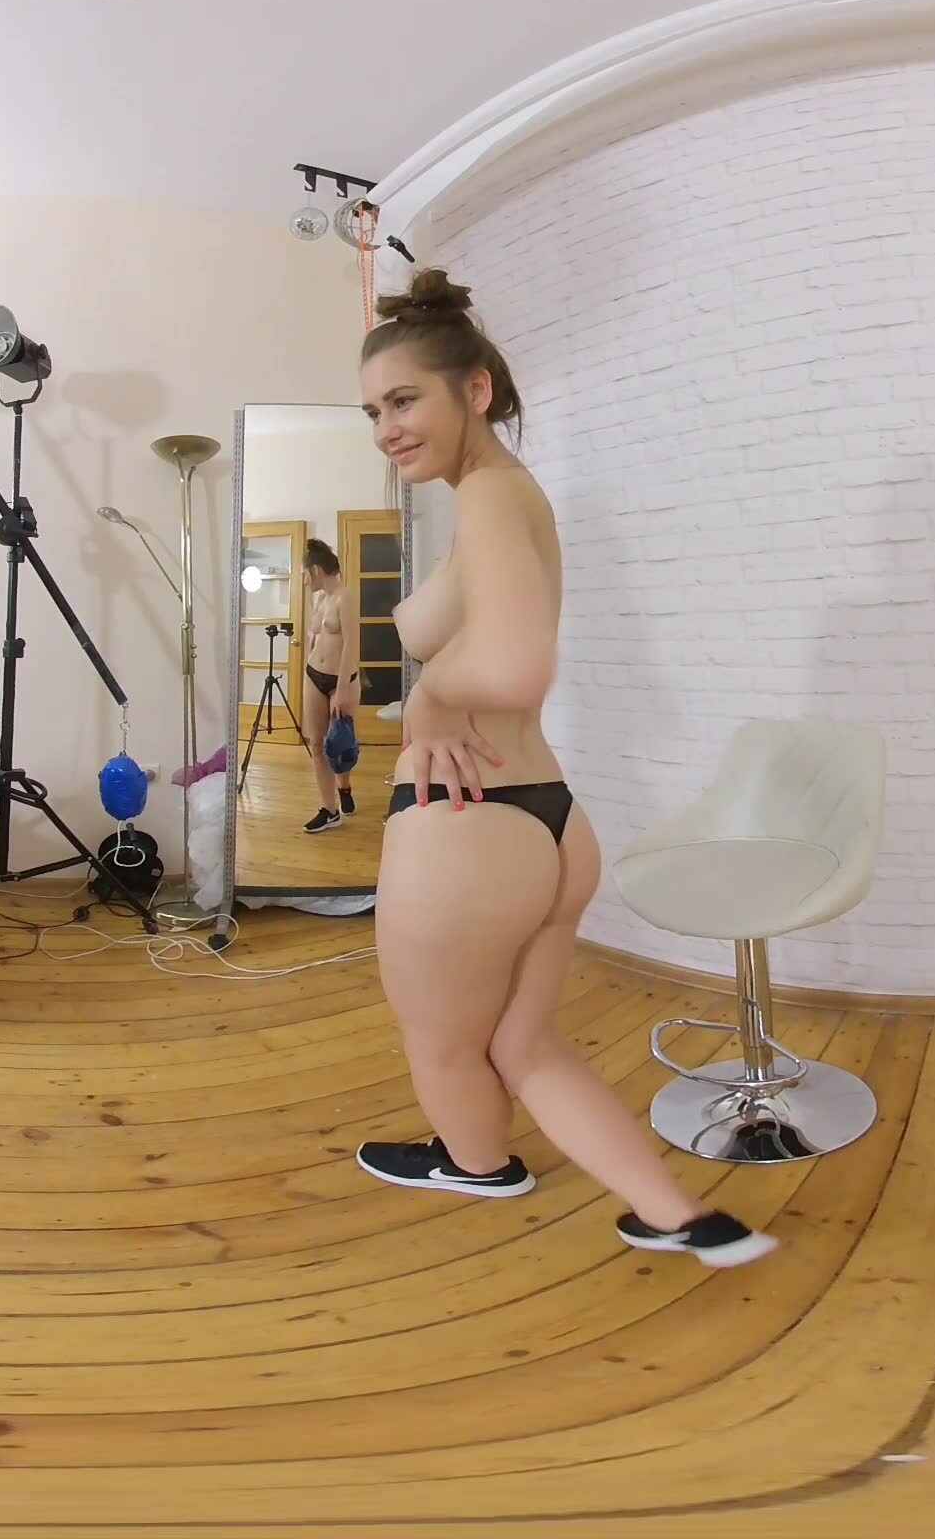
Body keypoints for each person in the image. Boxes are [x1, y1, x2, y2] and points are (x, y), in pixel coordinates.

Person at [348, 269, 777, 1268]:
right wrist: (429, 629)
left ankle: (477, 1163)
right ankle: (680, 1217)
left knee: (444, 1042)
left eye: (404, 401)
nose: (386, 430)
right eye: (372, 412)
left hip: (467, 830)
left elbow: (515, 667)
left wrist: (430, 701)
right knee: (524, 1044)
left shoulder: (491, 499)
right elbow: (422, 624)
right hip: (547, 826)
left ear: (476, 391)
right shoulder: (501, 498)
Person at [299, 539, 355, 833]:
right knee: (317, 744)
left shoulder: (346, 597)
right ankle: (329, 810)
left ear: (316, 570)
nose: (304, 581)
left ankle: (344, 788)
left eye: (305, 575)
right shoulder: (320, 600)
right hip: (314, 675)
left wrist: (342, 689)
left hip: (340, 680)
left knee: (340, 746)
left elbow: (352, 647)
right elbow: (314, 639)